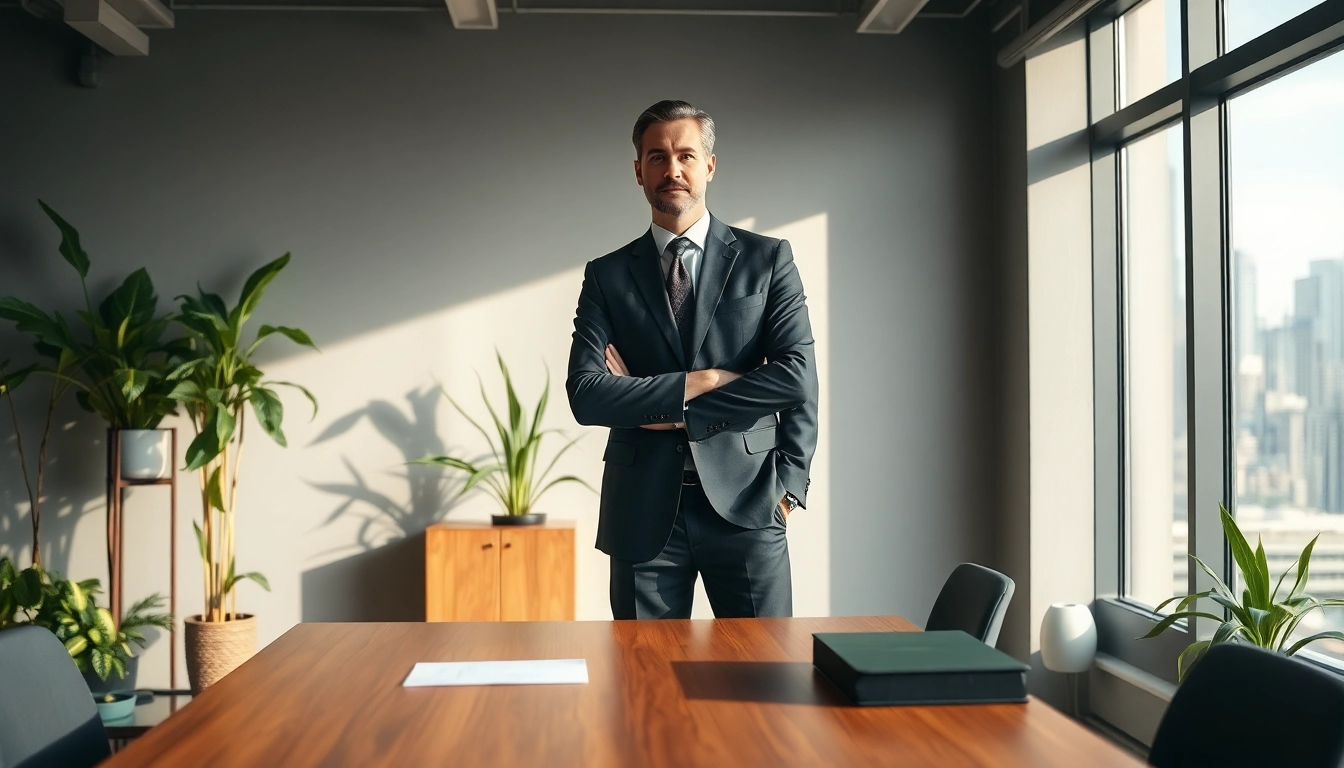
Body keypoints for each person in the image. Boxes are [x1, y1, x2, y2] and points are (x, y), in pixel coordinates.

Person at [566, 99, 819, 620]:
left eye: (685, 155)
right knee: (644, 669)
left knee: (765, 665)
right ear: (639, 171)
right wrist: (704, 380)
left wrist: (789, 486)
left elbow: (795, 378)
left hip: (750, 504)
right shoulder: (606, 276)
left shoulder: (767, 259)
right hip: (642, 513)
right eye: (657, 157)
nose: (672, 169)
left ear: (710, 165)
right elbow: (587, 395)